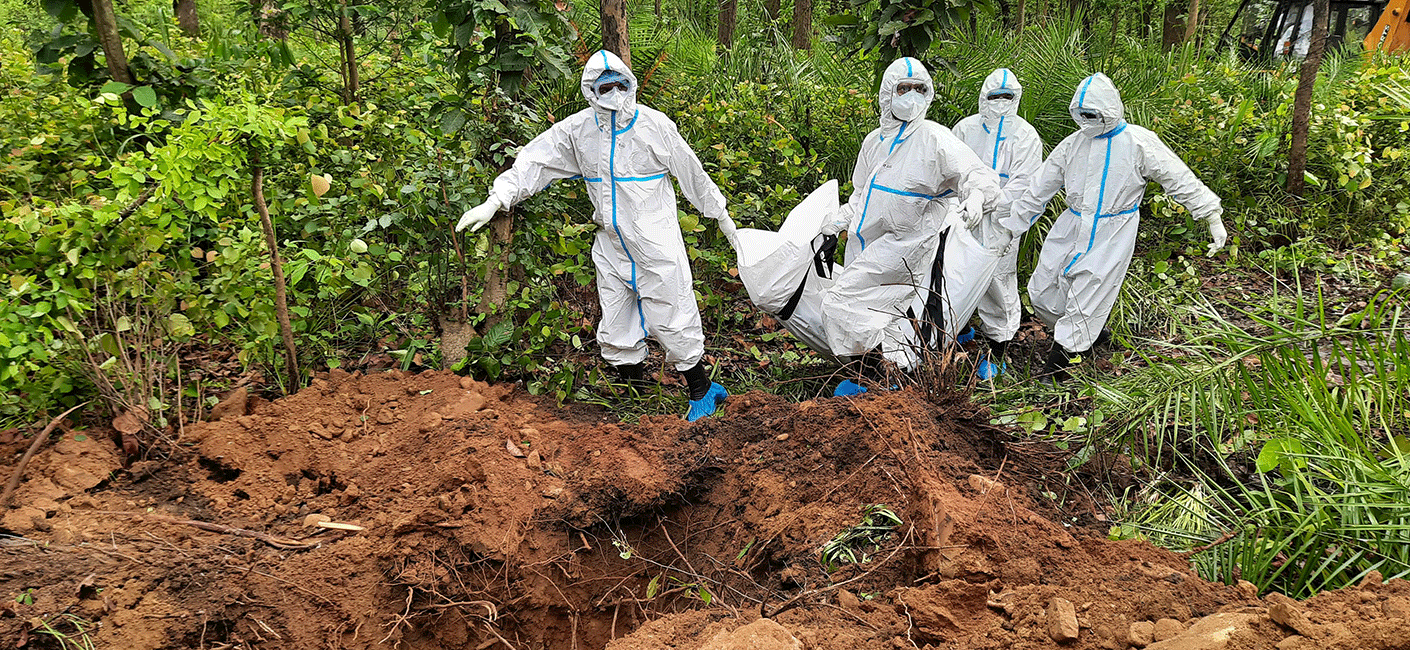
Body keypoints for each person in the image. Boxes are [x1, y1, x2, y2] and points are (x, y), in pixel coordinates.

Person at [457, 50, 737, 421]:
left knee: (672, 314)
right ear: (591, 90)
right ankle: (636, 400)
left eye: (621, 84)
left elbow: (693, 174)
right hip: (611, 244)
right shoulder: (578, 131)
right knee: (616, 323)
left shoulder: (654, 126)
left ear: (630, 83)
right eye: (606, 86)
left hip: (655, 242)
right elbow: (535, 161)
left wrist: (721, 216)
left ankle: (702, 390)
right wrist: (496, 200)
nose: (615, 91)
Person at [1001, 73, 1227, 380]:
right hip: (1072, 223)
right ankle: (1089, 334)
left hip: (1113, 228)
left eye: (1093, 114)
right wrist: (1010, 227)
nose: (1087, 121)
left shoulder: (1138, 142)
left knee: (1089, 293)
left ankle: (1058, 369)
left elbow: (1178, 178)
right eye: (1082, 115)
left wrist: (1210, 214)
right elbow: (1040, 187)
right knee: (1041, 291)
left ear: (1109, 109)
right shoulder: (1073, 144)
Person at [819, 57, 1002, 396]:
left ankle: (875, 376)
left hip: (908, 246)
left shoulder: (934, 138)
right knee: (886, 316)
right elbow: (862, 192)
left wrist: (977, 198)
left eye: (920, 89)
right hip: (867, 242)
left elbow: (977, 175)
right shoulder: (875, 141)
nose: (911, 96)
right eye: (904, 89)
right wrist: (839, 221)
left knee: (843, 302)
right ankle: (883, 381)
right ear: (887, 93)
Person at [951, 68, 1045, 380]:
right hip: (964, 215)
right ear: (983, 97)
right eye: (995, 96)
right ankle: (959, 329)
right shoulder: (965, 129)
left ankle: (998, 347)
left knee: (999, 282)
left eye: (1008, 97)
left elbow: (1023, 185)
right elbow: (950, 169)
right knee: (956, 272)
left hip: (1002, 220)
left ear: (1017, 98)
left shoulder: (1026, 136)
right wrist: (964, 202)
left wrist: (986, 201)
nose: (1001, 102)